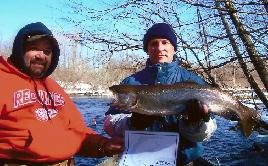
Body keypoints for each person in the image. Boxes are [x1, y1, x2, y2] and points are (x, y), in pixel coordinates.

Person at [0, 22, 123, 166]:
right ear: (19, 50)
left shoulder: (53, 87)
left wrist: (104, 145)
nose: (41, 55)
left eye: (47, 51)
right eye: (34, 49)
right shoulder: (3, 80)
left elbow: (78, 131)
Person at [103, 23, 217, 166]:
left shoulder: (194, 81)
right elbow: (109, 124)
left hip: (183, 161)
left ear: (174, 48)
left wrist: (195, 124)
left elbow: (207, 134)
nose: (159, 48)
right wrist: (132, 123)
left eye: (165, 42)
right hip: (139, 160)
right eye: (153, 43)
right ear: (147, 49)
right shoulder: (130, 83)